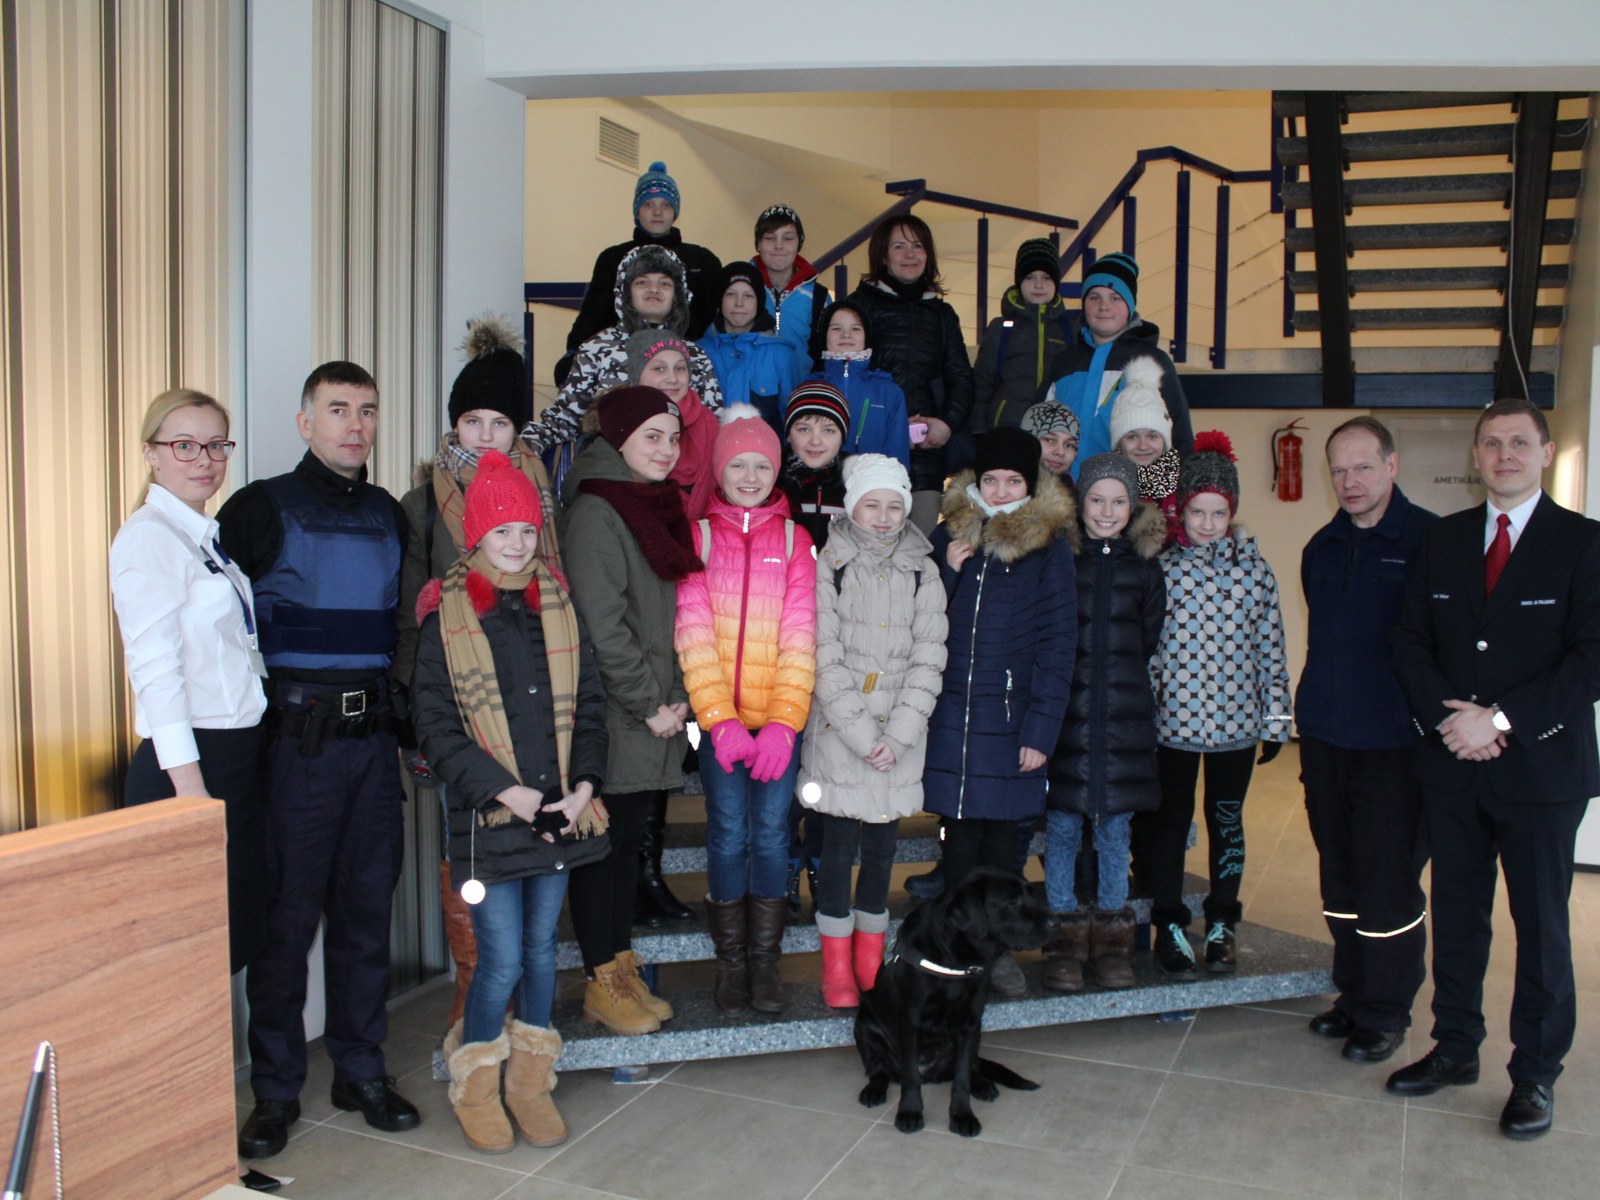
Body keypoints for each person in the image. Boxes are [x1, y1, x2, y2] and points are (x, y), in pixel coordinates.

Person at [220, 362, 419, 1160]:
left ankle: (359, 1070)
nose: (355, 425)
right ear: (306, 422)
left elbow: (402, 630)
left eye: (367, 410)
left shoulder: (387, 514)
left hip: (371, 747)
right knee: (285, 923)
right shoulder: (258, 508)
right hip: (294, 750)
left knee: (366, 917)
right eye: (338, 410)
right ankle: (274, 1091)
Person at [1389, 398, 1600, 1140]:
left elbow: (1590, 660)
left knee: (1540, 928)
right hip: (1454, 765)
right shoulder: (1443, 539)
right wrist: (1452, 724)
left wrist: (1500, 720)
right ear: (1475, 456)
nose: (1504, 455)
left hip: (1541, 773)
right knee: (1457, 915)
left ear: (1545, 453)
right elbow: (1410, 640)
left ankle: (1535, 1075)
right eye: (1491, 444)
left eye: (1518, 442)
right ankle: (1454, 1047)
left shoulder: (1584, 543)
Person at [410, 450, 610, 1153]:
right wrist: (510, 791)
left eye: (527, 529)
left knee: (540, 952)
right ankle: (476, 1085)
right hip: (489, 821)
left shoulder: (557, 604)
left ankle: (529, 1082)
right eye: (503, 531)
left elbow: (589, 705)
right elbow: (435, 727)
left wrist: (584, 786)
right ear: (477, 536)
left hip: (556, 817)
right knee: (499, 960)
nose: (518, 544)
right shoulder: (446, 615)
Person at [395, 317, 564, 1040]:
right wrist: (419, 719)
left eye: (501, 423)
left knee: (532, 857)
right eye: (473, 421)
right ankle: (475, 987)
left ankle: (524, 1012)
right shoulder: (421, 502)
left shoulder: (540, 496)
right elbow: (408, 616)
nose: (487, 436)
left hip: (532, 700)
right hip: (459, 709)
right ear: (454, 424)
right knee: (467, 850)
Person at [560, 387, 701, 1031]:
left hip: (652, 710)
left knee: (624, 852)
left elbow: (666, 612)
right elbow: (603, 625)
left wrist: (677, 694)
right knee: (604, 854)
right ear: (618, 440)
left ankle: (619, 968)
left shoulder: (651, 501)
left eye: (673, 438)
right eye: (652, 437)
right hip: (621, 714)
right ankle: (602, 982)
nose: (666, 450)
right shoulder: (598, 509)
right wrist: (651, 703)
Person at [1297, 416, 1436, 1064]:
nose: (1350, 481)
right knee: (1341, 879)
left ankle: (1387, 1010)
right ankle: (1353, 994)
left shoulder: (1430, 542)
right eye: (1339, 470)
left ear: (1392, 466)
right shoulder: (1321, 547)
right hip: (1326, 740)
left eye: (1363, 467)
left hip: (1394, 748)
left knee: (1388, 884)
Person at [923, 427, 1077, 996]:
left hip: (1012, 721)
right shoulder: (949, 535)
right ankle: (956, 949)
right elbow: (920, 618)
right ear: (976, 481)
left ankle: (997, 952)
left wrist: (1041, 729)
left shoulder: (1048, 547)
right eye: (992, 479)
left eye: (1014, 480)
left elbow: (1059, 643)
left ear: (1030, 485)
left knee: (1002, 847)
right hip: (953, 718)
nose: (1002, 490)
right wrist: (948, 571)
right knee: (958, 842)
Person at [675, 405, 817, 1015]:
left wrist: (784, 723)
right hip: (719, 727)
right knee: (729, 833)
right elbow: (693, 635)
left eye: (762, 465)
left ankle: (766, 962)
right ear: (719, 470)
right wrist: (719, 720)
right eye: (738, 465)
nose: (751, 476)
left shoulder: (794, 540)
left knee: (772, 834)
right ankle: (731, 963)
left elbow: (800, 636)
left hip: (778, 723)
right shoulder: (698, 537)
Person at [800, 454, 947, 1008]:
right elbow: (824, 654)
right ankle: (836, 966)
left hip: (899, 738)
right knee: (838, 850)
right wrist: (864, 737)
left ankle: (869, 960)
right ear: (851, 507)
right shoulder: (829, 563)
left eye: (894, 506)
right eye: (872, 505)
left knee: (882, 851)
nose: (883, 517)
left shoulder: (923, 569)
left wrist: (900, 735)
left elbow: (930, 657)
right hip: (842, 735)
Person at [1146, 433, 1291, 980]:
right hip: (1174, 726)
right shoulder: (1163, 569)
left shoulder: (1255, 572)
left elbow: (1271, 650)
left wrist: (1276, 719)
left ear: (1232, 513)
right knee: (1170, 823)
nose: (1208, 524)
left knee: (1227, 819)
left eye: (1219, 513)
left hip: (1236, 724)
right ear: (1181, 510)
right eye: (1197, 512)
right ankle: (1169, 924)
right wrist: (1144, 715)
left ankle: (1223, 922)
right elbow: (1148, 652)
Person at [1043, 452, 1165, 992]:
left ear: (1132, 506)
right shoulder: (1062, 561)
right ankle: (1063, 942)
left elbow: (1147, 638)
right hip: (1067, 717)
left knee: (1115, 833)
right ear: (1080, 503)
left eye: (1119, 501)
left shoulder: (1145, 568)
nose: (1107, 511)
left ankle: (1113, 944)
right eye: (1097, 500)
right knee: (1063, 831)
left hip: (1122, 720)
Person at [524, 244, 722, 455]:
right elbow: (565, 418)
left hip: (678, 463)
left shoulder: (694, 355)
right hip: (609, 463)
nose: (654, 289)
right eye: (642, 282)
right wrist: (526, 445)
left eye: (664, 283)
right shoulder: (597, 347)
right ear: (626, 292)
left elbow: (714, 422)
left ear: (678, 294)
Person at [849, 214, 976, 533]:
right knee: (870, 548)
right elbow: (845, 380)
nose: (910, 254)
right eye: (899, 246)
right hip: (870, 453)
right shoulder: (857, 308)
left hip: (926, 456)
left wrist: (946, 424)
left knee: (919, 550)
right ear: (882, 255)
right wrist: (889, 426)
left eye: (918, 246)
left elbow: (961, 377)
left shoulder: (943, 314)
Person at [1039, 252, 1193, 472]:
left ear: (1130, 305)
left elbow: (1180, 437)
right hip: (1066, 489)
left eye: (1115, 298)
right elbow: (1037, 430)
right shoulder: (1063, 364)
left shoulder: (1153, 362)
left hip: (1128, 491)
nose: (1104, 306)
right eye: (1094, 297)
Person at [562, 161, 721, 368]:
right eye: (649, 204)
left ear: (675, 211)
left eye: (666, 205)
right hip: (623, 363)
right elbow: (594, 315)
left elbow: (714, 321)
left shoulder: (702, 260)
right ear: (637, 211)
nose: (658, 212)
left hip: (684, 364)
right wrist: (574, 355)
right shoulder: (613, 258)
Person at [972, 238, 1074, 431]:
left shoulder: (1070, 330)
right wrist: (978, 432)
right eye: (1029, 277)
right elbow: (982, 387)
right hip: (1007, 430)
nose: (1038, 285)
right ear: (1019, 282)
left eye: (1046, 277)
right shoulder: (1001, 329)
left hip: (1054, 432)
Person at [620, 329, 718, 520]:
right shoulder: (618, 421)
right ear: (636, 374)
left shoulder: (709, 424)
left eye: (680, 368)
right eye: (659, 369)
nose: (672, 378)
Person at [801, 300, 911, 466]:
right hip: (821, 479)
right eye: (836, 328)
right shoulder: (808, 388)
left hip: (874, 479)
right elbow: (797, 444)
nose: (846, 334)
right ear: (824, 335)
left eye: (856, 329)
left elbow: (898, 453)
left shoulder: (889, 392)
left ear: (867, 336)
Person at [697, 260, 799, 431]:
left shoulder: (780, 354)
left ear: (759, 302)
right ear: (720, 299)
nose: (739, 303)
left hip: (764, 448)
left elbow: (791, 420)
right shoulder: (699, 351)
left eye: (748, 295)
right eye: (731, 294)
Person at [750, 203, 830, 376]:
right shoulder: (741, 289)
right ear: (758, 244)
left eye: (788, 238)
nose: (779, 246)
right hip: (751, 390)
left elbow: (828, 355)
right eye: (769, 238)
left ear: (799, 243)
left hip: (803, 389)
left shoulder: (819, 297)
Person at [1109, 358, 1181, 544]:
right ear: (1119, 444)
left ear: (1165, 441)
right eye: (1132, 437)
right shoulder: (1106, 482)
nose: (1143, 446)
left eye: (1153, 436)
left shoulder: (1182, 484)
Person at [779, 380, 852, 548]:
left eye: (828, 430)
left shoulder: (856, 481)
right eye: (804, 429)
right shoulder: (772, 480)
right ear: (789, 434)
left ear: (842, 436)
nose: (815, 441)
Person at [1021, 398, 1080, 488]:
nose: (1060, 452)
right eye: (1050, 440)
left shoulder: (1076, 493)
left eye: (1069, 445)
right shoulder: (1003, 491)